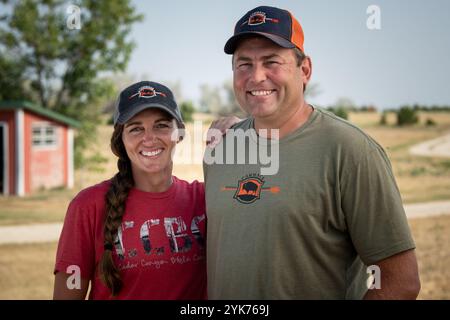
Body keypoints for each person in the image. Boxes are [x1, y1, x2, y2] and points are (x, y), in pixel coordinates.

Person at [203, 6, 421, 299]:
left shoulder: (351, 151)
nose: (256, 77)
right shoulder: (221, 147)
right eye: (244, 64)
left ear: (304, 70)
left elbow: (401, 281)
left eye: (271, 62)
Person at [53, 81, 237, 299]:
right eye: (136, 128)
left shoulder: (205, 198)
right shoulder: (88, 206)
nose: (149, 138)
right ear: (120, 140)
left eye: (161, 125)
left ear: (178, 134)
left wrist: (246, 129)